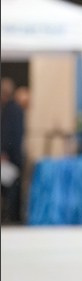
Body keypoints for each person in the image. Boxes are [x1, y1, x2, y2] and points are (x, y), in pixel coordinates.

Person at [1, 77, 25, 225]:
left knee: (13, 188)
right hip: (13, 155)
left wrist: (4, 152)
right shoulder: (12, 109)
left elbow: (9, 134)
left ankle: (12, 216)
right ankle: (11, 215)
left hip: (11, 156)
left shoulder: (12, 110)